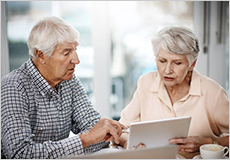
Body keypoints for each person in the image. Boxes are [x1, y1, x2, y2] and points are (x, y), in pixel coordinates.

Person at [1, 16, 126, 159]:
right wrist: (86, 139)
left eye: (75, 50)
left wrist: (100, 133)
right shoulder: (13, 87)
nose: (76, 60)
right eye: (66, 53)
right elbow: (20, 154)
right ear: (40, 55)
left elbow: (96, 131)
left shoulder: (69, 81)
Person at [117, 26, 229, 152]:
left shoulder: (212, 91)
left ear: (192, 64)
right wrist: (129, 143)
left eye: (177, 63)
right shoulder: (146, 82)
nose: (167, 70)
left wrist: (209, 142)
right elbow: (121, 130)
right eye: (162, 61)